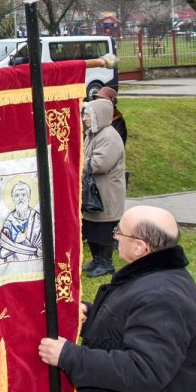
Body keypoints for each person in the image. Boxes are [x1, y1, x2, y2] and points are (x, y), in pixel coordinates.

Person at [38, 205, 196, 392]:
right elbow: (130, 324)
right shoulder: (153, 277)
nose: (114, 237)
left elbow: (144, 369)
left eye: (119, 232)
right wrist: (93, 313)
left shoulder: (161, 296)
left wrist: (70, 356)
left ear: (140, 247)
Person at [82, 97, 126, 278]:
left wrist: (78, 163)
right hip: (94, 192)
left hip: (107, 192)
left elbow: (100, 164)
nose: (84, 118)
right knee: (91, 227)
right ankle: (97, 260)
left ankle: (106, 263)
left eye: (87, 115)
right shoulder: (93, 134)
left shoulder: (109, 136)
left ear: (98, 116)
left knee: (104, 229)